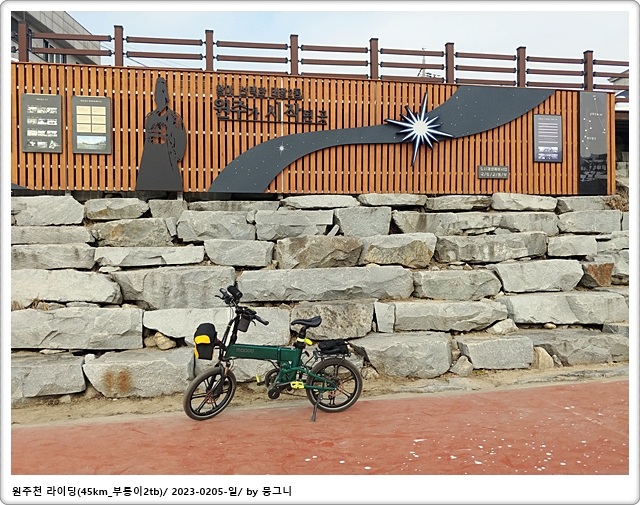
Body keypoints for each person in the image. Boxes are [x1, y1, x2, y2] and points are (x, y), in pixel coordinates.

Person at [135, 77, 186, 191]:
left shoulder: (174, 117)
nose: (160, 98)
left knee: (170, 181)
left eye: (162, 93)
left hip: (167, 155)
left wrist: (177, 155)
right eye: (158, 94)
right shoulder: (150, 117)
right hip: (150, 154)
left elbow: (181, 136)